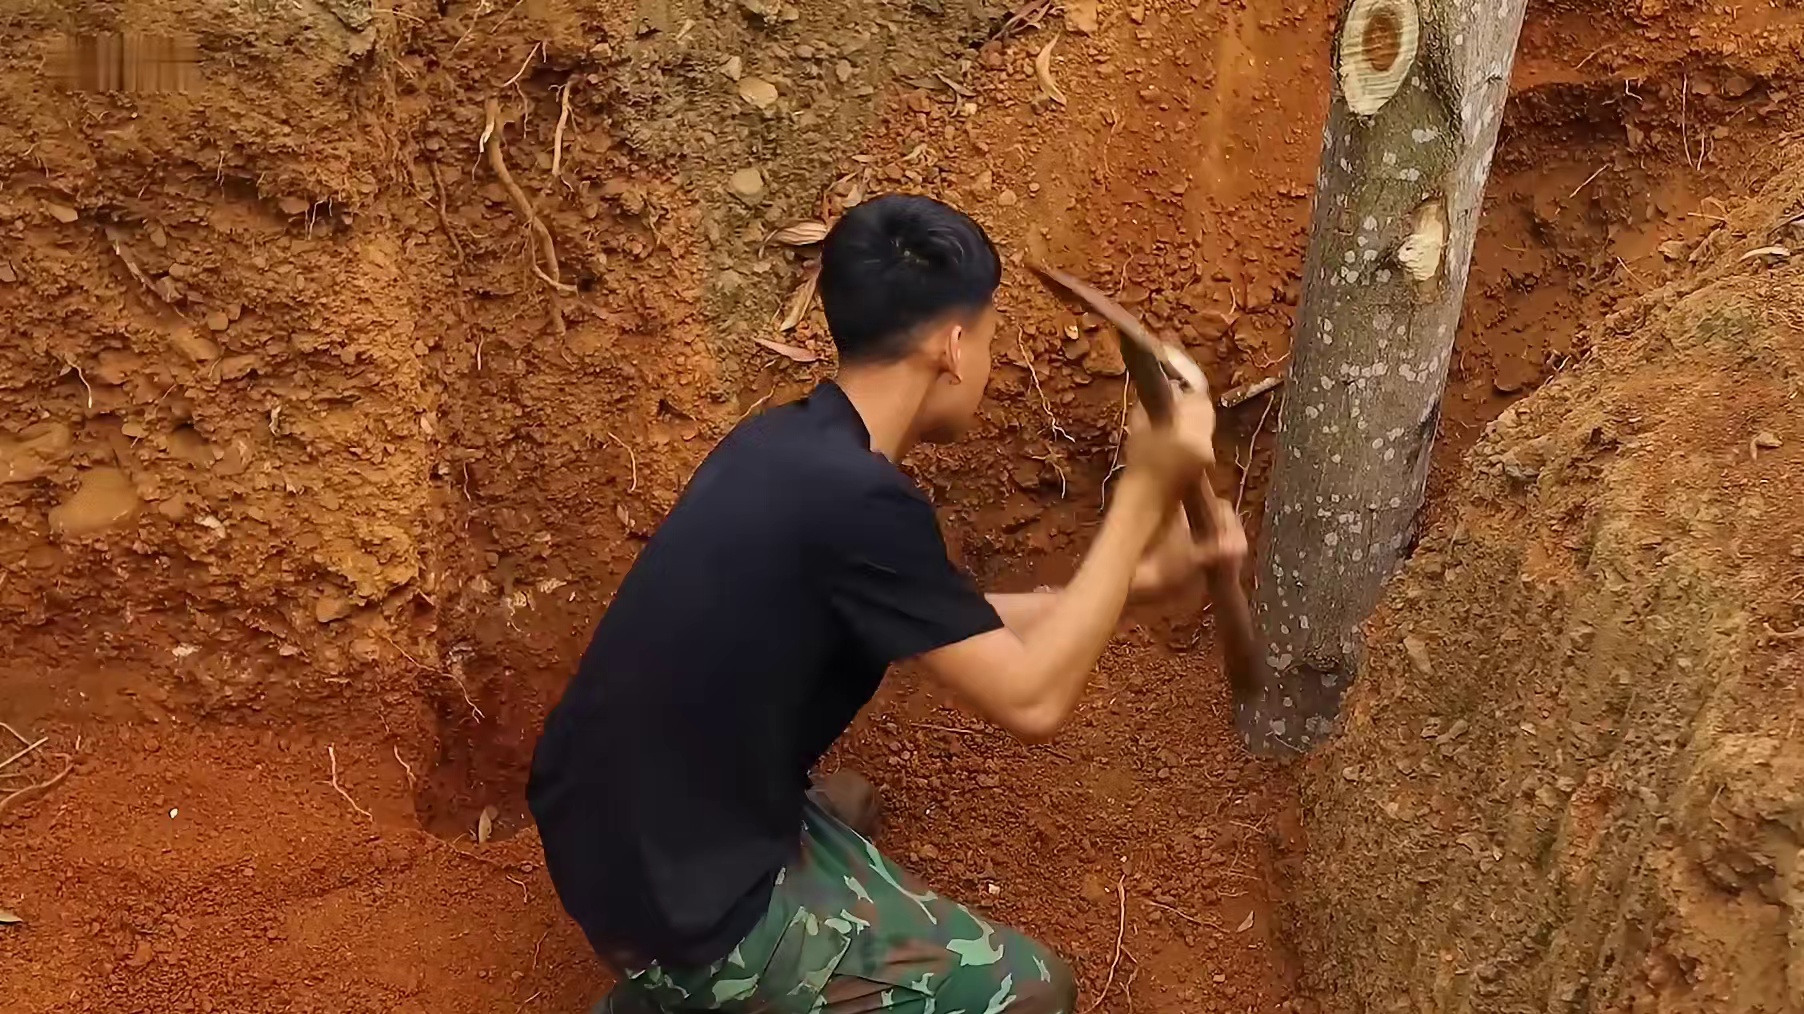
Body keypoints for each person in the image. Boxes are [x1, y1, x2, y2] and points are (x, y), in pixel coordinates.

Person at [528, 194, 1247, 1014]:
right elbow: (1033, 698)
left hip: (609, 820)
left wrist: (1144, 582)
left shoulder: (791, 445)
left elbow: (960, 630)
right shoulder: (860, 504)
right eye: (987, 335)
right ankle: (687, 991)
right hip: (679, 904)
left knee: (850, 804)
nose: (987, 356)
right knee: (1036, 990)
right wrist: (1144, 492)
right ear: (951, 346)